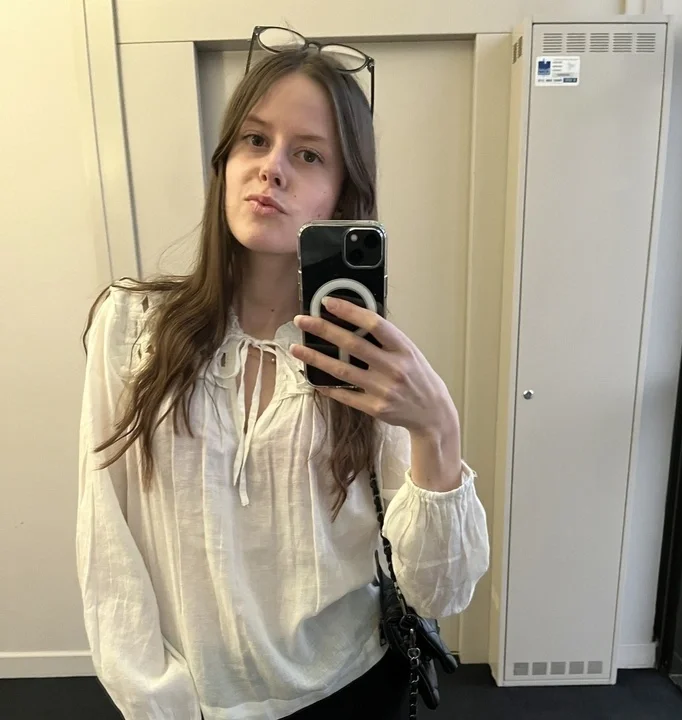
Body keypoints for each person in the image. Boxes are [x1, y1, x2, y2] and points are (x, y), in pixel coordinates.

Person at [76, 27, 490, 720]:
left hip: (348, 691)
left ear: (341, 195)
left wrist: (437, 430)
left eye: (308, 154)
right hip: (190, 703)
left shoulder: (370, 360)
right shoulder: (132, 328)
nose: (272, 169)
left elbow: (438, 592)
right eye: (254, 140)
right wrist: (157, 703)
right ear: (225, 162)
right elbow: (106, 543)